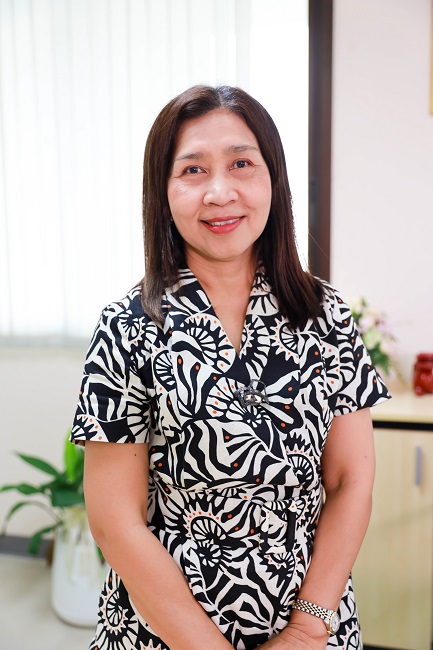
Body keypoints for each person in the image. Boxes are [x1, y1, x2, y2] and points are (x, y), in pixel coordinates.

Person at [71, 85, 390, 650]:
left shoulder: (325, 313)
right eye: (193, 170)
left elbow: (350, 479)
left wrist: (307, 629)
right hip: (162, 631)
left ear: (273, 180)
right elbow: (115, 523)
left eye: (241, 163)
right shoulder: (126, 325)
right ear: (163, 191)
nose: (220, 192)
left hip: (311, 622)